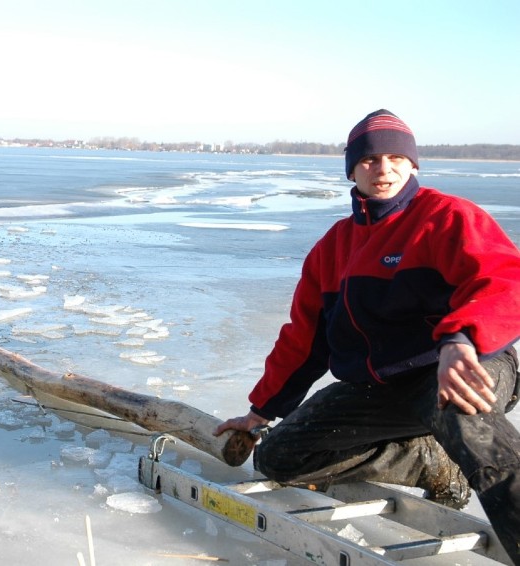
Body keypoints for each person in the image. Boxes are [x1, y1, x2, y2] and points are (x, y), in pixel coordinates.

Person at [214, 109, 520, 564]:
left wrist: (460, 338)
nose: (384, 169)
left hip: (472, 362)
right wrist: (260, 413)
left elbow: (505, 281)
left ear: (413, 165)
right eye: (370, 160)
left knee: (459, 406)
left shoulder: (446, 217)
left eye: (397, 157)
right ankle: (425, 461)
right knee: (280, 457)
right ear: (352, 169)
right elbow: (304, 340)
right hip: (387, 388)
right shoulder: (334, 248)